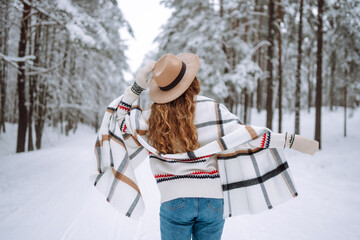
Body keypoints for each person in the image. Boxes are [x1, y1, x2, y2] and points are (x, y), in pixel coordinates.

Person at [91, 53, 319, 240]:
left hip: (174, 201)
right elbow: (244, 136)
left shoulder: (151, 119)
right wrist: (289, 140)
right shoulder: (213, 108)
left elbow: (117, 124)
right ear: (191, 81)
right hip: (213, 201)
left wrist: (136, 88)